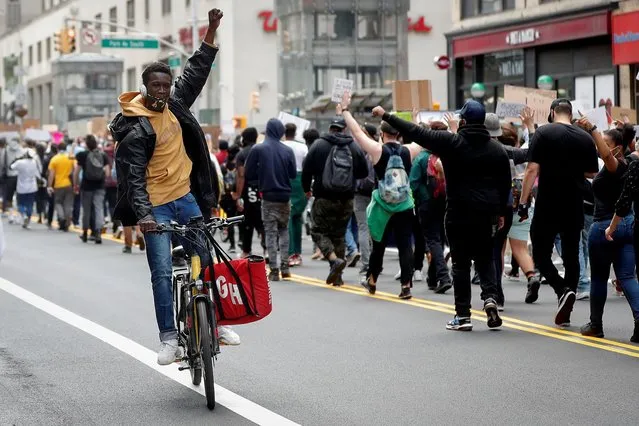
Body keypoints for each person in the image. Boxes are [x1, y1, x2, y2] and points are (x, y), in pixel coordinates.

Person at [110, 9, 240, 365]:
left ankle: (216, 324)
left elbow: (196, 70)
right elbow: (134, 179)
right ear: (144, 88)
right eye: (157, 86)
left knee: (206, 261)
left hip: (187, 199)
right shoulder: (135, 129)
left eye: (167, 85)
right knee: (162, 273)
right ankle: (169, 338)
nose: (163, 91)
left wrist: (211, 31)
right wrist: (145, 217)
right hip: (156, 208)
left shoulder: (176, 104)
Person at [373, 100, 511, 331]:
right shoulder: (496, 149)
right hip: (487, 214)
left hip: (458, 213)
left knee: (460, 264)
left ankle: (463, 315)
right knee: (486, 258)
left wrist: (386, 115)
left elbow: (416, 132)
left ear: (463, 121)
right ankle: (490, 298)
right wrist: (500, 213)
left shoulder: (451, 143)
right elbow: (504, 184)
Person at [519, 99, 599, 327]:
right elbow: (592, 172)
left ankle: (561, 288)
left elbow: (532, 169)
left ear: (553, 112)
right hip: (574, 202)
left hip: (547, 202)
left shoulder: (544, 133)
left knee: (541, 254)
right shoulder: (584, 137)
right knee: (572, 255)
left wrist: (523, 202)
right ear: (571, 114)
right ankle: (568, 302)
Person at [339, 96, 415, 299]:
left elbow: (356, 131)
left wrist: (345, 111)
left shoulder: (377, 149)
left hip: (382, 205)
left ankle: (372, 281)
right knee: (405, 245)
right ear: (398, 133)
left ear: (381, 133)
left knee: (378, 245)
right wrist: (415, 119)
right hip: (405, 204)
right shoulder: (409, 150)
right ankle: (406, 285)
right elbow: (424, 139)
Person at [576, 125, 639, 341]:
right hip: (627, 224)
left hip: (605, 226)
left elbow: (605, 156)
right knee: (628, 276)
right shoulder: (620, 167)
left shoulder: (617, 165)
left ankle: (596, 325)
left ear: (617, 149)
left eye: (605, 142)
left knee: (600, 279)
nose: (599, 145)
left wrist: (592, 129)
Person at [302, 115, 368, 286]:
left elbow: (306, 169)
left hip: (324, 198)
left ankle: (333, 260)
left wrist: (306, 189)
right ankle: (338, 277)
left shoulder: (319, 145)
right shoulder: (353, 146)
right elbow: (363, 173)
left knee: (317, 231)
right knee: (339, 235)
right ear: (344, 129)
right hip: (347, 199)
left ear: (330, 127)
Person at [244, 119, 297, 281]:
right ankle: (285, 266)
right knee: (284, 230)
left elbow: (248, 173)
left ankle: (274, 269)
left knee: (271, 232)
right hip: (285, 197)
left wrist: (260, 180)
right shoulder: (288, 150)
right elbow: (293, 174)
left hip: (268, 197)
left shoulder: (258, 149)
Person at [410, 121, 452, 294]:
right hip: (446, 201)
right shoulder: (450, 155)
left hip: (427, 203)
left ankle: (443, 276)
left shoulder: (421, 157)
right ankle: (433, 277)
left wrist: (421, 198)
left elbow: (413, 183)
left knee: (433, 240)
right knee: (439, 240)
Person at [234, 127, 266, 259]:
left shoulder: (241, 154)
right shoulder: (262, 151)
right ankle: (267, 250)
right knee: (262, 221)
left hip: (248, 190)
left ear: (243, 139)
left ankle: (246, 251)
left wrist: (238, 195)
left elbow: (241, 175)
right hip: (262, 189)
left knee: (247, 221)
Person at [73, 135, 111, 244]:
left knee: (86, 210)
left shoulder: (82, 155)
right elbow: (108, 173)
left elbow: (76, 172)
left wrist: (75, 185)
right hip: (100, 186)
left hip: (86, 186)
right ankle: (98, 233)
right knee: (99, 209)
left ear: (87, 144)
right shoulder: (103, 155)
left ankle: (85, 232)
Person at [282, 123, 309, 267]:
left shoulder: (282, 146)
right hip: (301, 182)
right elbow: (307, 166)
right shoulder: (303, 147)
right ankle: (296, 252)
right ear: (295, 132)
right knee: (296, 217)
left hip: (287, 180)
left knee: (290, 217)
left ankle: (292, 252)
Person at [47, 141, 75, 231]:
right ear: (66, 148)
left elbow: (51, 174)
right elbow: (74, 170)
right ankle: (67, 223)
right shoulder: (70, 158)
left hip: (58, 185)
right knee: (68, 204)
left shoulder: (54, 159)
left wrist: (49, 186)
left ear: (58, 149)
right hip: (69, 184)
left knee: (58, 203)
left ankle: (61, 217)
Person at [10, 148, 41, 229]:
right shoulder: (34, 162)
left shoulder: (20, 162)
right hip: (32, 187)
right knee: (30, 204)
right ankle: (27, 221)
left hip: (22, 187)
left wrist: (17, 159)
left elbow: (11, 167)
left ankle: (24, 216)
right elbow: (38, 173)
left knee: (20, 203)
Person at [0, 138, 26, 223]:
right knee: (19, 197)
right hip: (20, 176)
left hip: (9, 176)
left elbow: (2, 163)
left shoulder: (6, 150)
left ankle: (11, 215)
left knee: (9, 197)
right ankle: (19, 216)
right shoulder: (22, 150)